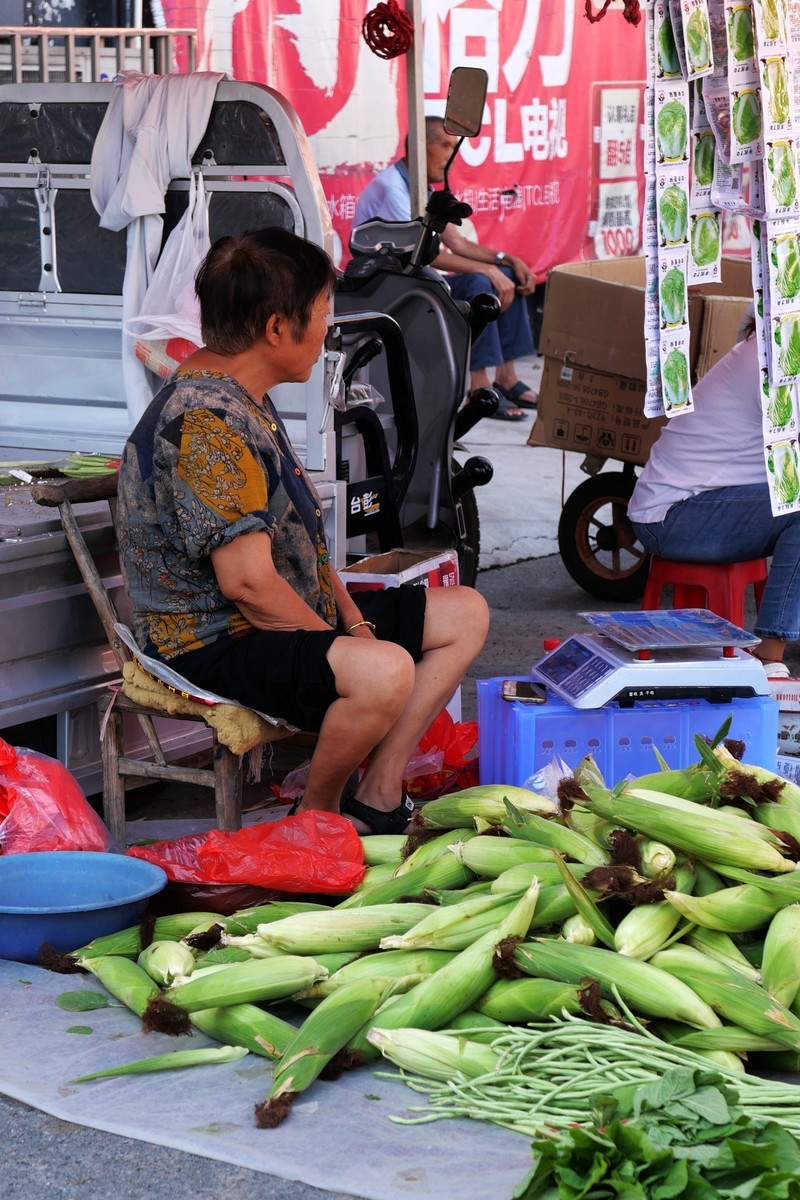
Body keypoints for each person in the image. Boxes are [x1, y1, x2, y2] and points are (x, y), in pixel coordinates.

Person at [116, 227, 490, 834]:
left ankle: (377, 793)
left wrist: (356, 626)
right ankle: (315, 813)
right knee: (384, 671)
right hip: (213, 641)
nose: (327, 330)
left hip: (273, 616)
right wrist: (344, 649)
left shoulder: (241, 396)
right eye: (321, 314)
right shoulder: (205, 423)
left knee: (464, 613)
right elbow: (248, 586)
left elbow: (308, 546)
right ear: (275, 328)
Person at [628, 321, 800, 679]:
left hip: (696, 502)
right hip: (673, 515)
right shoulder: (778, 362)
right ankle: (769, 656)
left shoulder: (774, 343)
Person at [353, 116, 538, 421]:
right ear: (419, 148)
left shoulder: (421, 186)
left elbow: (458, 243)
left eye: (454, 147)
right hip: (391, 289)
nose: (452, 156)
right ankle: (479, 387)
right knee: (481, 284)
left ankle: (507, 377)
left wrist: (506, 260)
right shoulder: (393, 189)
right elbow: (425, 255)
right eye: (444, 145)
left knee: (508, 277)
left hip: (418, 281)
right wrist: (487, 271)